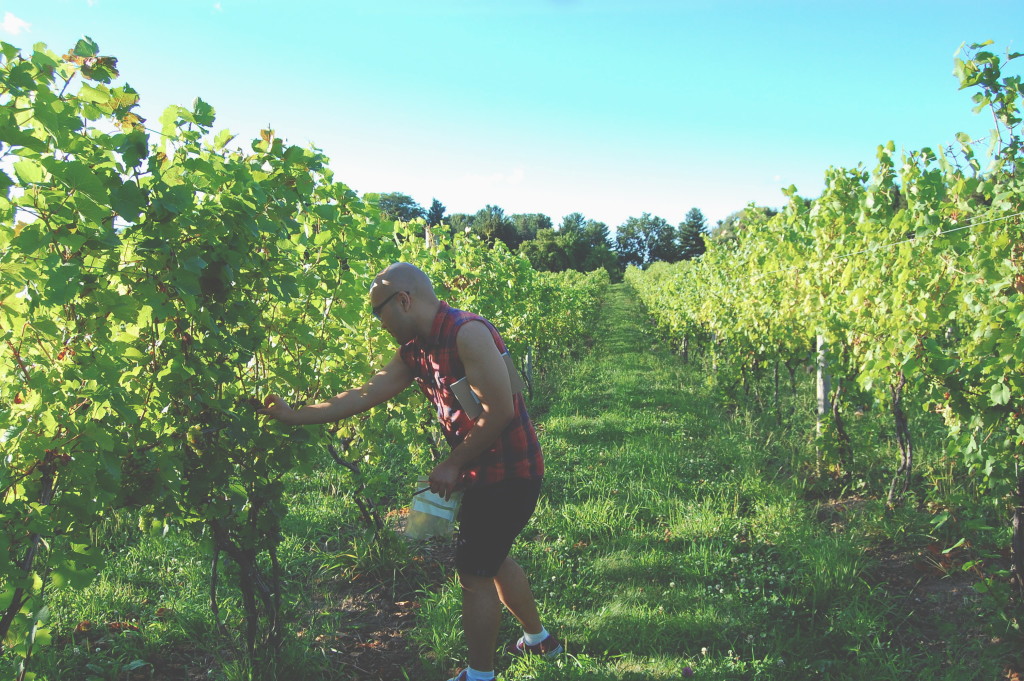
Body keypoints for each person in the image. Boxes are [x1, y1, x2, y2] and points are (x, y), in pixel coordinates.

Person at [259, 262, 562, 681]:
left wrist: (453, 462)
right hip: (482, 473)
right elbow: (368, 392)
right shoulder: (416, 348)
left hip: (511, 473)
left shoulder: (466, 333)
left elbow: (501, 411)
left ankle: (480, 675)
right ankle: (539, 639)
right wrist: (296, 416)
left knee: (475, 572)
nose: (377, 322)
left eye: (377, 312)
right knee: (491, 557)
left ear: (403, 300)